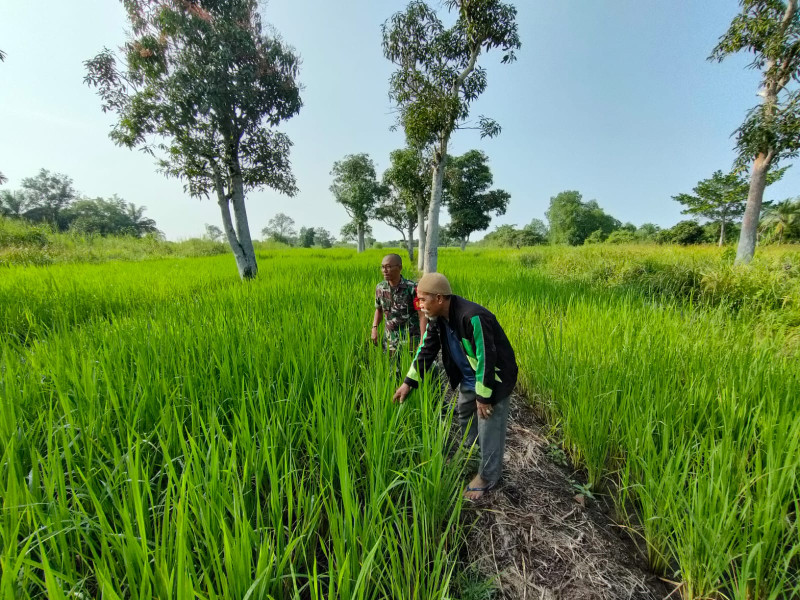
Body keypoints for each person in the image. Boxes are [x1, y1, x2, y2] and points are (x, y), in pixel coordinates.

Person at [392, 272, 518, 500]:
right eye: (417, 300)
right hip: (468, 378)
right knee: (464, 417)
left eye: (422, 299)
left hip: (492, 381)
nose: (419, 305)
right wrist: (408, 383)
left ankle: (488, 477)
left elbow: (487, 357)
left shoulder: (473, 317)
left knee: (488, 426)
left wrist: (484, 396)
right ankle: (471, 458)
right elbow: (427, 349)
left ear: (439, 299)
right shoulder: (438, 319)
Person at [371, 254, 426, 354]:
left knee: (412, 368)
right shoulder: (380, 288)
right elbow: (378, 310)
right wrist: (374, 328)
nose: (384, 270)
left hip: (411, 340)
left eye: (388, 267)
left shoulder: (412, 288)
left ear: (400, 267)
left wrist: (422, 339)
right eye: (383, 267)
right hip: (389, 340)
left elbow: (422, 315)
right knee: (392, 368)